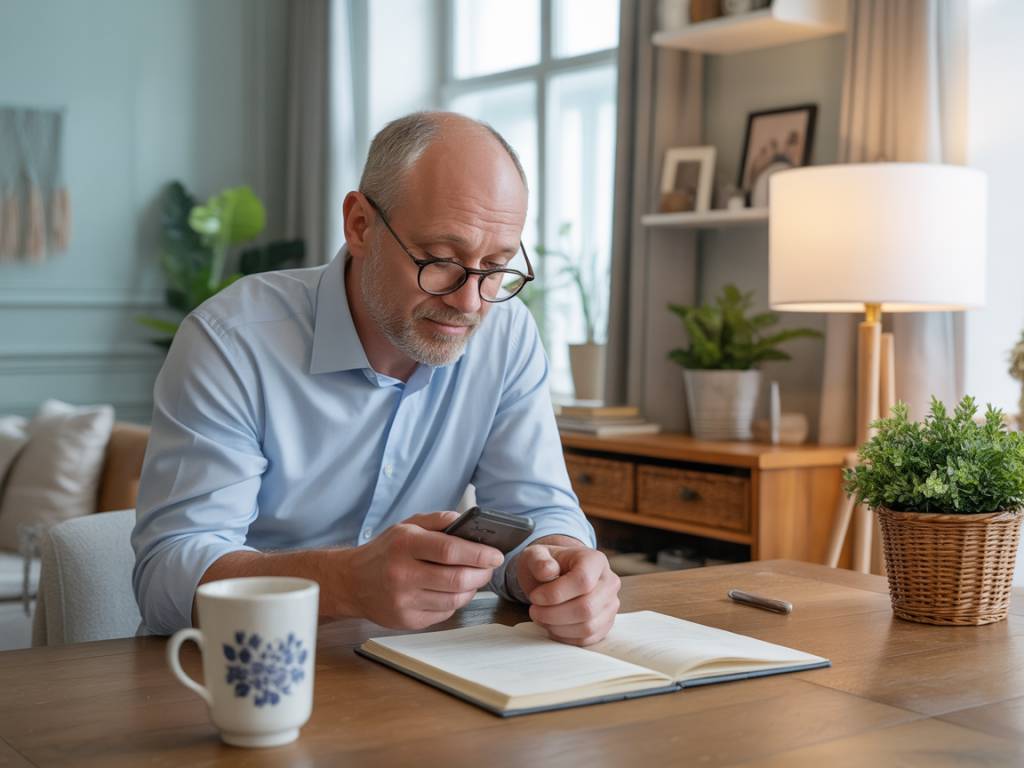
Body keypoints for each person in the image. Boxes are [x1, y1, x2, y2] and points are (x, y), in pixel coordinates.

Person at [132, 111, 621, 647]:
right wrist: (344, 584)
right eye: (439, 260)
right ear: (360, 225)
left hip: (424, 672)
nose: (469, 303)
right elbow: (166, 581)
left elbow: (538, 509)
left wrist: (559, 565)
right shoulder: (231, 341)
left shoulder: (505, 335)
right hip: (238, 670)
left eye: (496, 267)